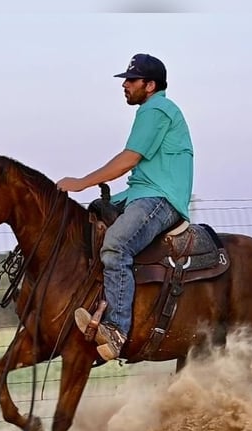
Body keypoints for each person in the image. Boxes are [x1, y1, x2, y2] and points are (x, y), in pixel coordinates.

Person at [56, 53, 194, 361]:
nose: (125, 85)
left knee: (116, 246)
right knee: (91, 214)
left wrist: (81, 182)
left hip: (160, 199)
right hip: (139, 194)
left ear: (150, 85)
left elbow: (128, 159)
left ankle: (117, 330)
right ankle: (96, 302)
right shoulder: (150, 109)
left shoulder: (157, 108)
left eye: (131, 80)